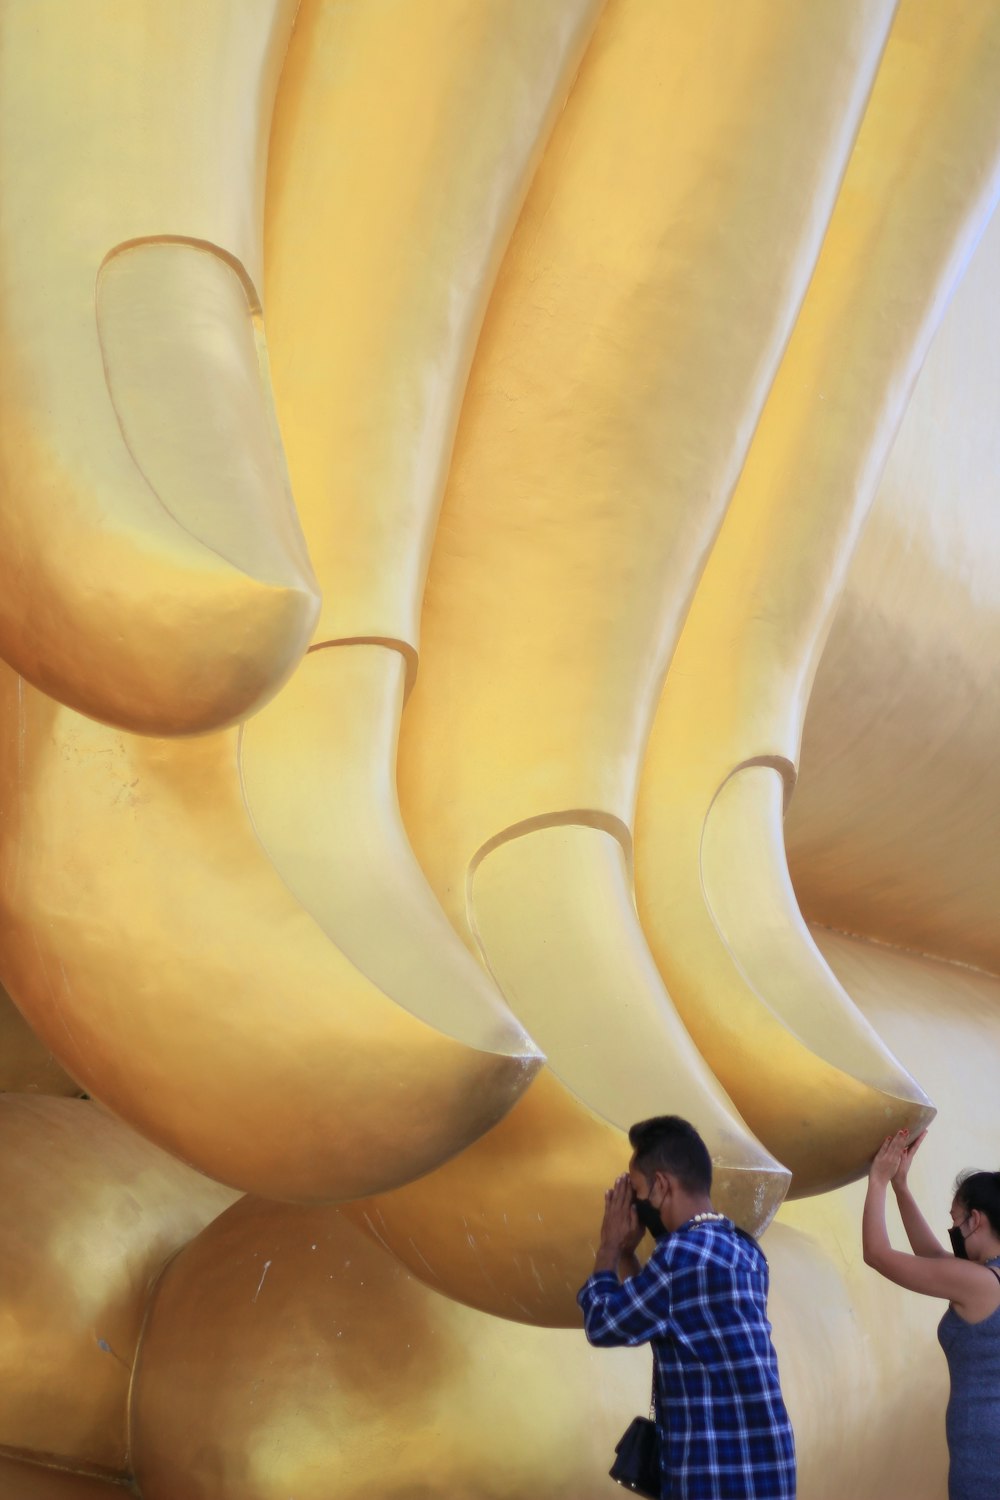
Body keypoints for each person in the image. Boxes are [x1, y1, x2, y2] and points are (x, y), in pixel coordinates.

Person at [577, 1115, 796, 1499]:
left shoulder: (679, 1258)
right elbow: (659, 1318)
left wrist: (610, 1246)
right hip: (768, 1472)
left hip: (713, 1478)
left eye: (640, 1192)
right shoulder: (745, 1251)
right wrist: (631, 1254)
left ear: (661, 1185)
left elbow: (603, 1323)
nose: (638, 1204)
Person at [862, 1127, 1000, 1500]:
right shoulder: (984, 1279)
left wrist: (876, 1180)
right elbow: (935, 1259)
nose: (953, 1230)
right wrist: (900, 1187)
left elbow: (877, 1253)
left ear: (976, 1219)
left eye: (955, 1221)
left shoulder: (982, 1283)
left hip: (986, 1464)